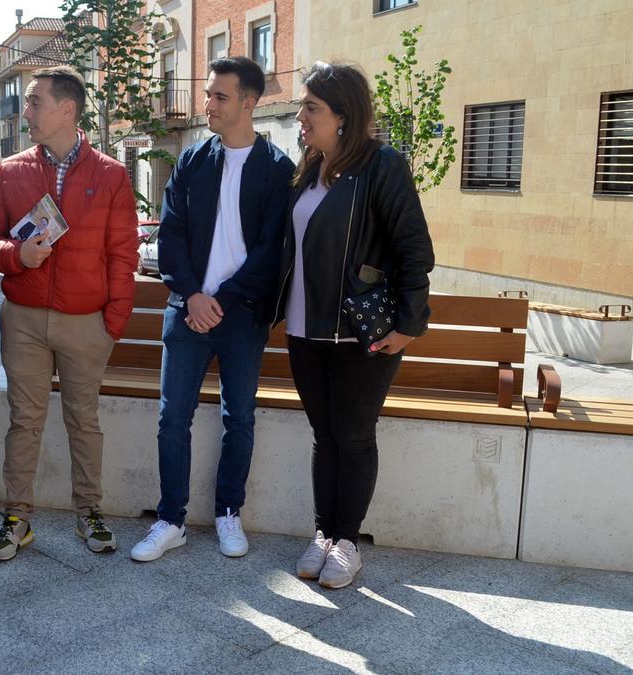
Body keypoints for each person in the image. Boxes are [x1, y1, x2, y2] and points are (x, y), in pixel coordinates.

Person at [274, 62, 434, 589]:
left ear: (342, 115)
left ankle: (347, 542)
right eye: (302, 107)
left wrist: (410, 322)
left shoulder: (382, 165)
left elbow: (414, 247)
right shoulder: (308, 167)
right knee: (325, 434)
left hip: (361, 331)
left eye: (310, 108)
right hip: (304, 328)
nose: (300, 117)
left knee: (354, 435)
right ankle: (323, 533)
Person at [129, 57, 295, 563]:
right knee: (171, 418)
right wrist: (194, 294)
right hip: (188, 309)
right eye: (207, 94)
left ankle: (228, 512)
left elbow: (272, 251)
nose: (208, 104)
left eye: (219, 96)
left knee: (238, 417)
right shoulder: (193, 161)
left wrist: (221, 300)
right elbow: (171, 232)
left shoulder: (278, 170)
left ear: (249, 102)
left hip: (242, 316)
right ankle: (170, 519)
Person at [0, 65, 138, 561]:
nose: (26, 112)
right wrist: (15, 256)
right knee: (25, 420)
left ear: (67, 110)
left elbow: (124, 255)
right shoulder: (11, 170)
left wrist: (112, 325)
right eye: (26, 102)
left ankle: (89, 511)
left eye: (34, 101)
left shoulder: (110, 174)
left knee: (83, 421)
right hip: (23, 318)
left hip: (87, 323)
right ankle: (17, 516)